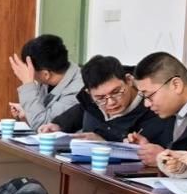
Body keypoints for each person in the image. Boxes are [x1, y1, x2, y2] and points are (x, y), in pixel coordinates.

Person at [38, 55, 172, 144]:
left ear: (129, 80)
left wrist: (106, 142)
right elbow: (83, 109)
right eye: (100, 98)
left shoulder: (154, 108)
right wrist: (59, 125)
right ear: (89, 93)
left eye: (116, 92)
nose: (111, 102)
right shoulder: (90, 100)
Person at [129, 52, 187, 166]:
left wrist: (164, 159)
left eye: (149, 95)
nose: (146, 104)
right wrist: (146, 149)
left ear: (176, 85)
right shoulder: (176, 113)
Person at [7, 34, 82, 128]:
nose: (29, 74)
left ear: (46, 74)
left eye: (30, 71)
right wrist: (27, 114)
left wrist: (27, 84)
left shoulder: (77, 90)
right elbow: (40, 116)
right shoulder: (47, 81)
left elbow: (44, 127)